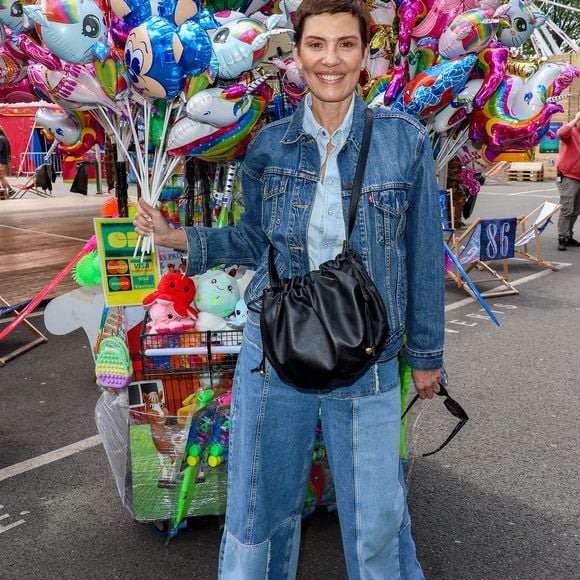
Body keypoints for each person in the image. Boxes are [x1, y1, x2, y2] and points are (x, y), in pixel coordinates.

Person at [134, 1, 444, 577]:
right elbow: (254, 237)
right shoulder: (269, 146)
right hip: (273, 353)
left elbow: (423, 256)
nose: (331, 60)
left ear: (365, 55)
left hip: (368, 356)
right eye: (317, 45)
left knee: (377, 518)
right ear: (297, 55)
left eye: (346, 45)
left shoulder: (406, 142)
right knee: (260, 511)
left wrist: (426, 356)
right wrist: (176, 235)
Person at [556, 111, 580, 251]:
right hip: (568, 177)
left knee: (576, 210)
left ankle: (569, 236)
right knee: (567, 208)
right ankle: (562, 237)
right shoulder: (570, 133)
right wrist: (576, 117)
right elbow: (560, 133)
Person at [0, 126, 15, 198]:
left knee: (1, 177)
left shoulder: (0, 138)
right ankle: (9, 190)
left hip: (1, 161)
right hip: (4, 160)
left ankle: (6, 191)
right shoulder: (4, 138)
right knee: (1, 177)